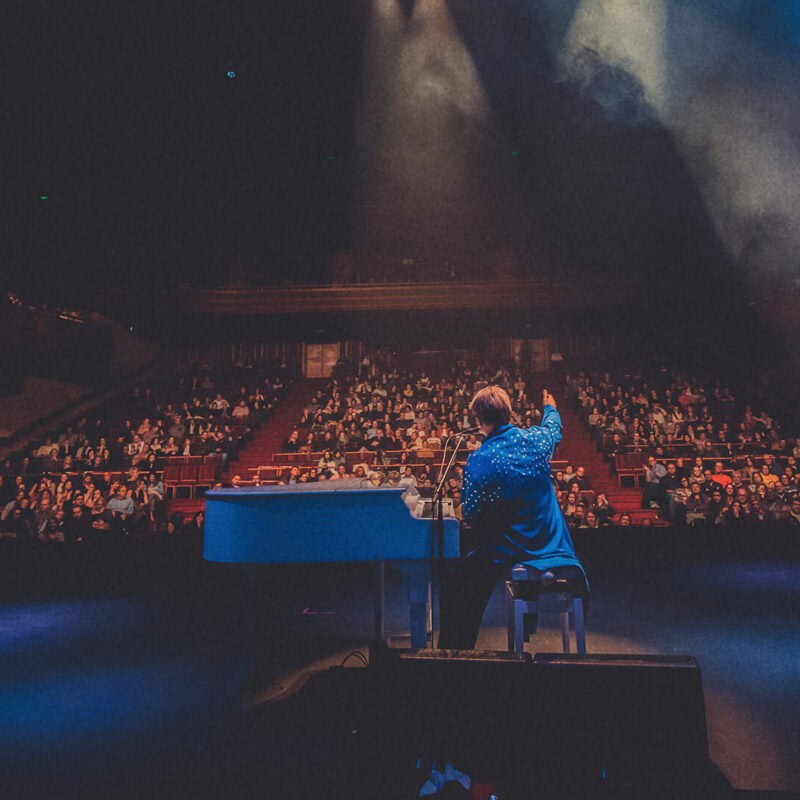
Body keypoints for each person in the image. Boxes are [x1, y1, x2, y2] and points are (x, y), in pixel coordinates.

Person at [438, 386, 586, 650]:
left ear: (478, 419)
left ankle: (455, 653)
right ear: (509, 412)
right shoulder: (538, 440)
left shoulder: (480, 460)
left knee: (459, 584)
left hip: (509, 548)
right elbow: (554, 429)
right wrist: (550, 407)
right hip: (550, 542)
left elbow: (471, 514)